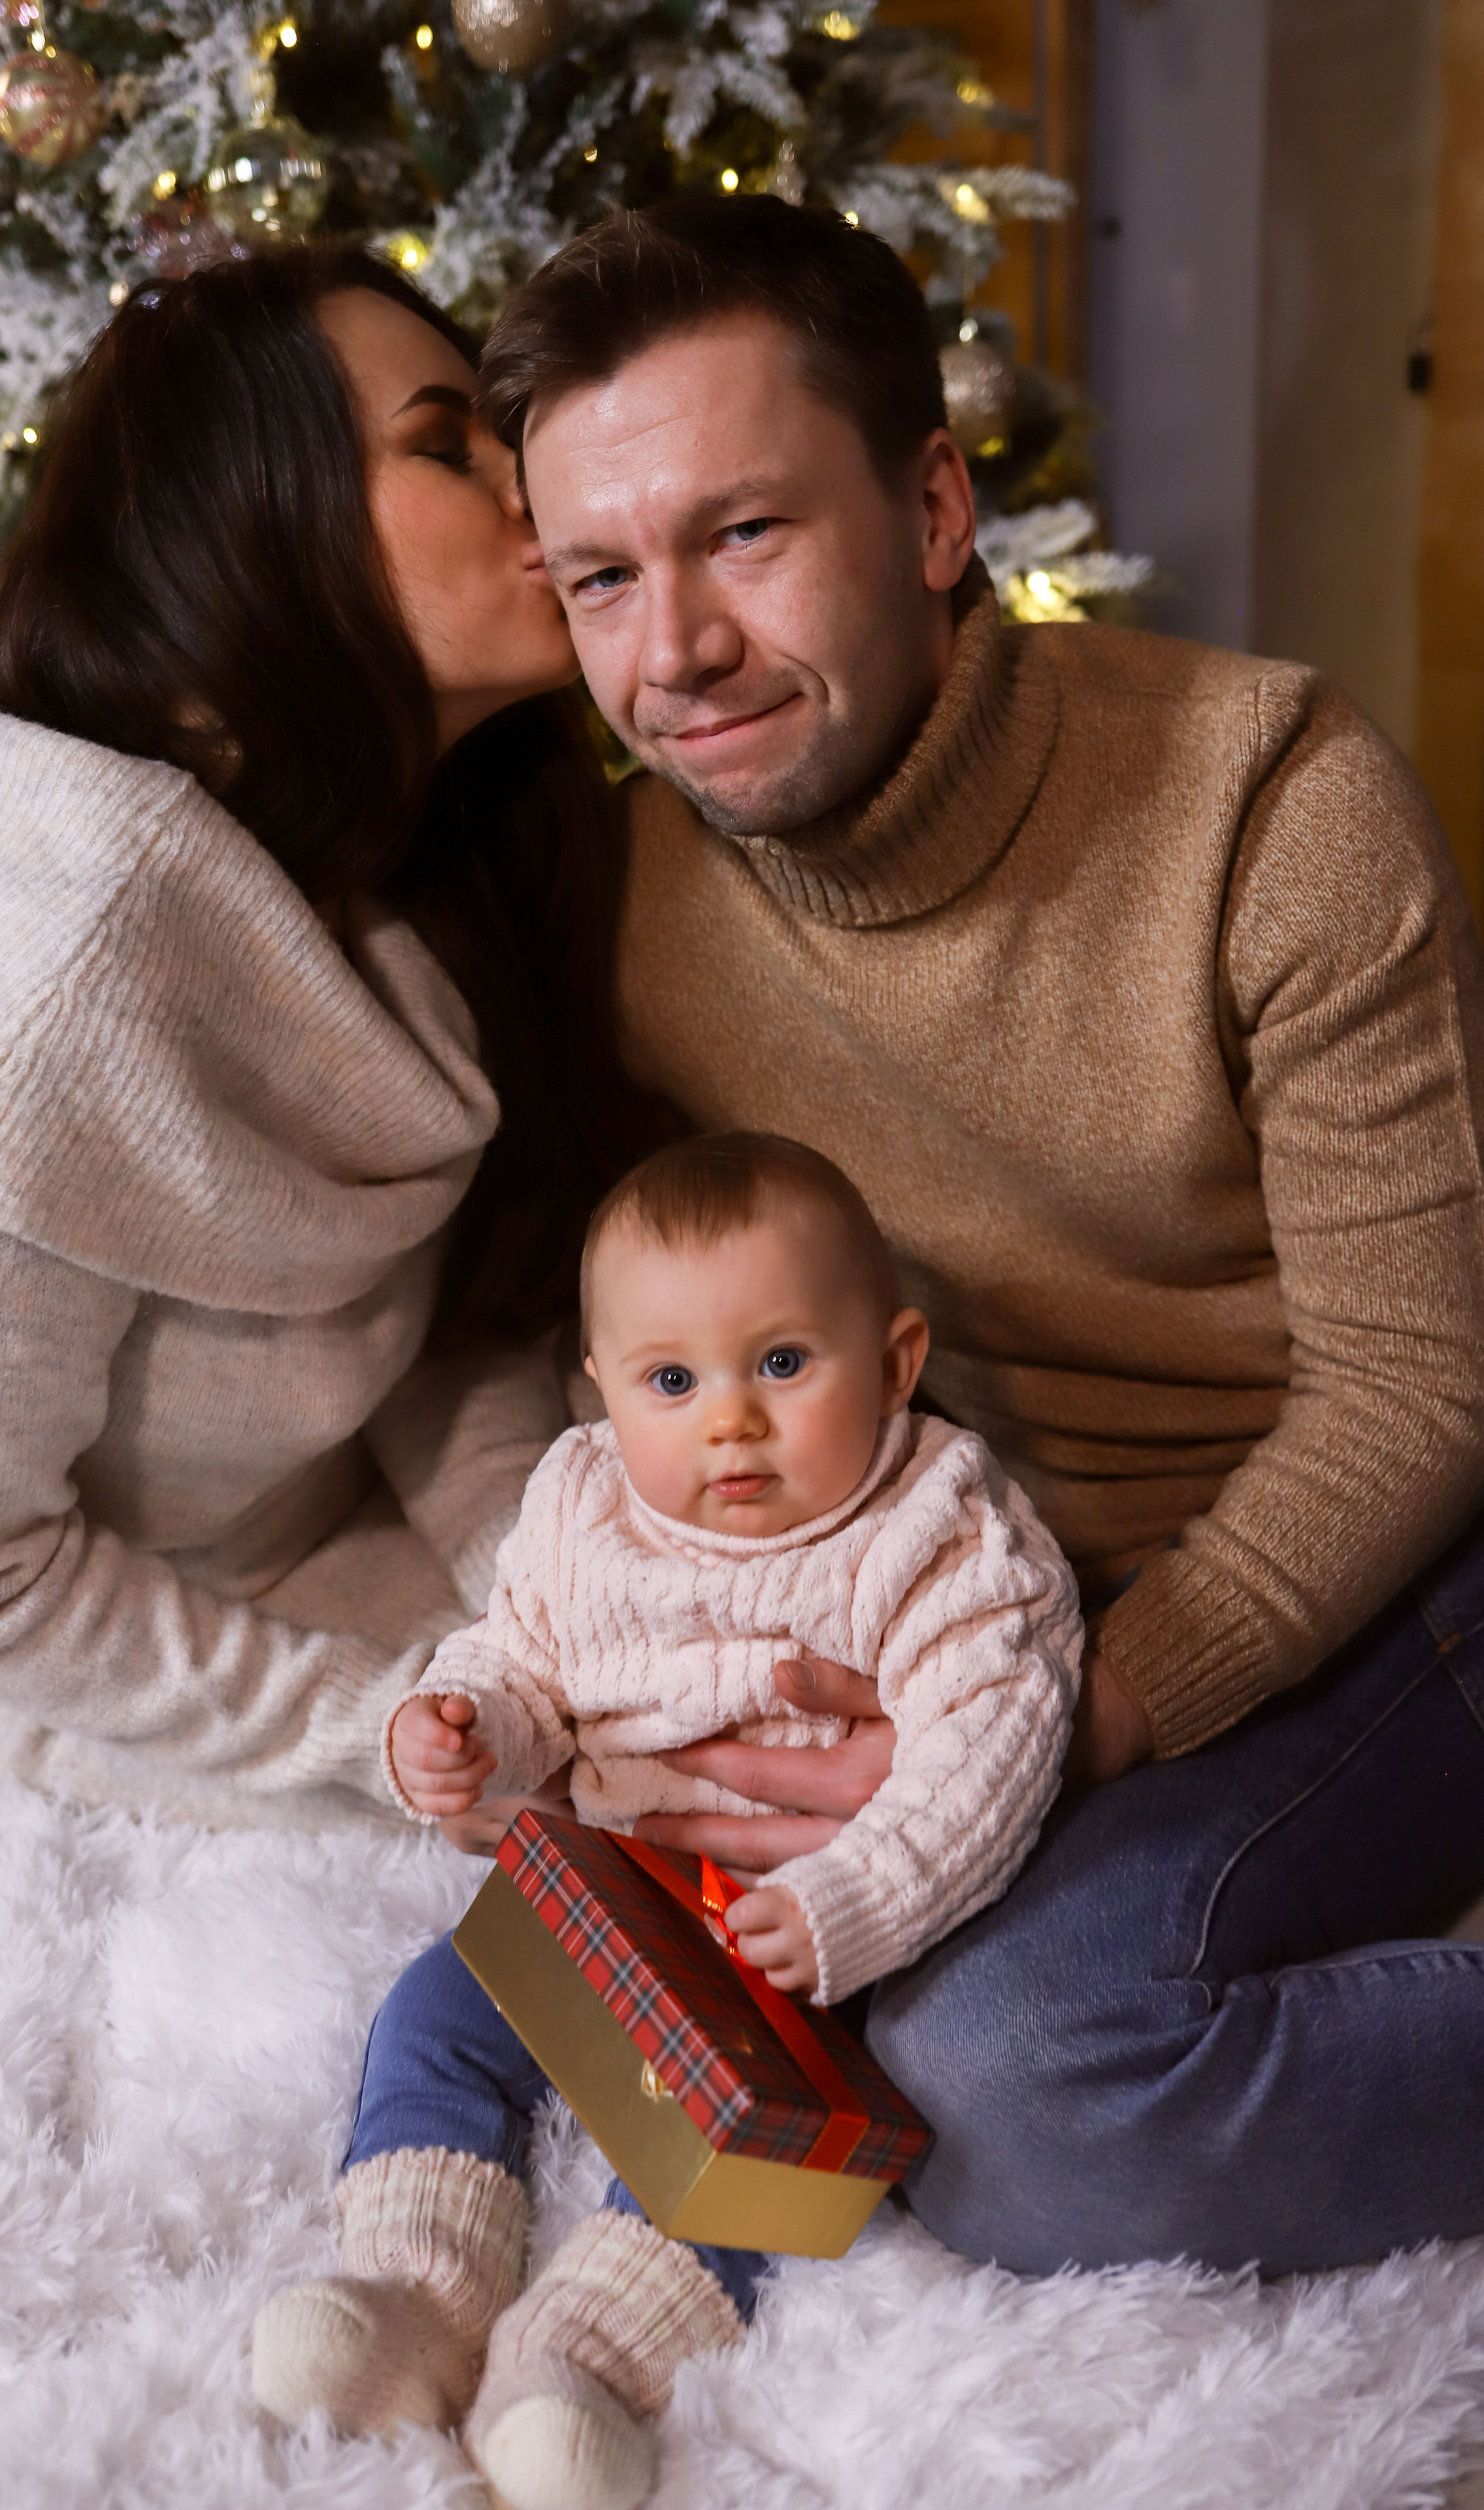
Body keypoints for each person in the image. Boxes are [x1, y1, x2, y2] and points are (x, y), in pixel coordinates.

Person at [473, 195, 1484, 2276]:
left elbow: (1426, 1383)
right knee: (581, 1974)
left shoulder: (1267, 807)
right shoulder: (632, 895)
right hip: (954, 1594)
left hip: (1372, 1572)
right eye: (601, 576)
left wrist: (1050, 1741)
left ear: (934, 507)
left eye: (744, 533)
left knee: (1022, 2087)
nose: (672, 655)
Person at [0, 243, 666, 1828]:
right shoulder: (24, 1009)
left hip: (329, 1585)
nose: (531, 482)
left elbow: (452, 1334)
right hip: (35, 1698)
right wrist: (404, 1728)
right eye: (443, 443)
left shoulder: (422, 870)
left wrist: (562, 1598)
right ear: (249, 525)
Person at [249, 1133, 1081, 2508]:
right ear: (603, 1390)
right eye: (672, 1381)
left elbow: (989, 1750)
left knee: (746, 2154)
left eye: (780, 1365)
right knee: (439, 2009)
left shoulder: (938, 1534)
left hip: (799, 1942)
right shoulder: (585, 1504)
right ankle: (412, 2291)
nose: (728, 1423)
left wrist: (851, 1901)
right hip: (618, 1892)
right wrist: (459, 1729)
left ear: (895, 1360)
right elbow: (520, 1658)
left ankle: (584, 2363)